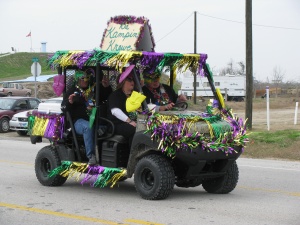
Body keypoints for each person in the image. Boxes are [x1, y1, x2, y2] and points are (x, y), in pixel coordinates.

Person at [62, 69, 112, 164]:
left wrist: (107, 87)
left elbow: (108, 97)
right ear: (77, 79)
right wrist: (70, 102)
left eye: (87, 78)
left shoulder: (93, 90)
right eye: (82, 78)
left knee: (108, 127)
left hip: (94, 119)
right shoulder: (73, 91)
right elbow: (63, 107)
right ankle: (91, 156)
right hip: (78, 122)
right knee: (88, 127)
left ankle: (104, 155)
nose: (85, 80)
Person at [107, 65, 140, 149]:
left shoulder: (134, 94)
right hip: (116, 124)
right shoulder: (116, 95)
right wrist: (129, 121)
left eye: (133, 79)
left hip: (131, 122)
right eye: (129, 79)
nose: (132, 81)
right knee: (134, 130)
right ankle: (133, 155)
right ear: (122, 82)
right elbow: (115, 111)